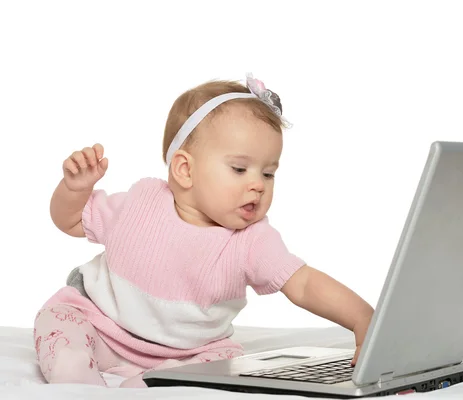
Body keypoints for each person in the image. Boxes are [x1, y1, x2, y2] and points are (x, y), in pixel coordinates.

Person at [34, 74, 374, 388]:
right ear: (184, 169)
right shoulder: (141, 202)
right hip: (99, 324)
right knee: (62, 333)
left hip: (186, 353)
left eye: (268, 173)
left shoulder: (252, 240)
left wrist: (363, 319)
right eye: (240, 169)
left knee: (227, 361)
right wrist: (75, 189)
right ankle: (80, 385)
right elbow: (71, 220)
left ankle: (148, 386)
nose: (257, 185)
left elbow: (303, 283)